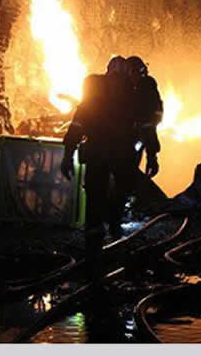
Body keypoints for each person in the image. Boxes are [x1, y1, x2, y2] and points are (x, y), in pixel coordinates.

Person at [61, 55, 136, 278]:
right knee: (120, 190)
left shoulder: (95, 91)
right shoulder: (130, 93)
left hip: (97, 151)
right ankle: (113, 225)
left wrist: (68, 154)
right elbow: (144, 126)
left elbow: (78, 124)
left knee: (95, 196)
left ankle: (93, 249)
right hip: (120, 153)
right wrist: (151, 154)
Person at [125, 56, 163, 178]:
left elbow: (149, 126)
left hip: (133, 141)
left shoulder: (146, 90)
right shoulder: (121, 90)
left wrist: (152, 156)